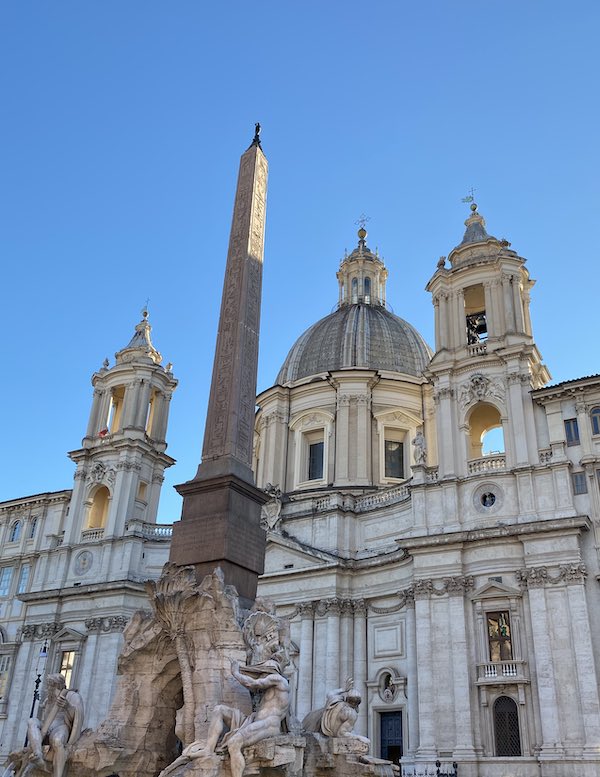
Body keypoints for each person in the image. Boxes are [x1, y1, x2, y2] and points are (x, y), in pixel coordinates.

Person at [159, 657, 289, 777]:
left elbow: (253, 684)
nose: (261, 675)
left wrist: (236, 672)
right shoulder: (270, 689)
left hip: (269, 725)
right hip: (253, 721)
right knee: (219, 710)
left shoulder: (278, 680)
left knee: (234, 743)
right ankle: (208, 749)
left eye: (262, 672)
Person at [17, 674, 84, 777]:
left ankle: (58, 774)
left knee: (58, 741)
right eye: (48, 685)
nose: (48, 688)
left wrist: (67, 706)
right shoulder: (49, 698)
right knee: (32, 721)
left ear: (57, 685)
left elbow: (77, 715)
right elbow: (45, 716)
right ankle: (38, 753)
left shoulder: (72, 696)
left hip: (61, 726)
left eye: (51, 685)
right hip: (46, 726)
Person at [302, 678, 368, 743]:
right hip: (317, 728)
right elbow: (341, 733)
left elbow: (330, 694)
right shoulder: (351, 714)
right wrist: (358, 737)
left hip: (311, 720)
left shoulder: (337, 701)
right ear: (357, 704)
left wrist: (343, 689)